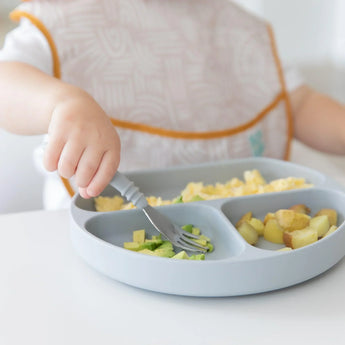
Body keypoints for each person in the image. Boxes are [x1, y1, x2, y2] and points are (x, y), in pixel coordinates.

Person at [1, 0, 345, 209]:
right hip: (101, 232)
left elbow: (296, 105)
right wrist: (63, 103)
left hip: (243, 230)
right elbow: (7, 80)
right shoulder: (67, 17)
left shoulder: (234, 25)